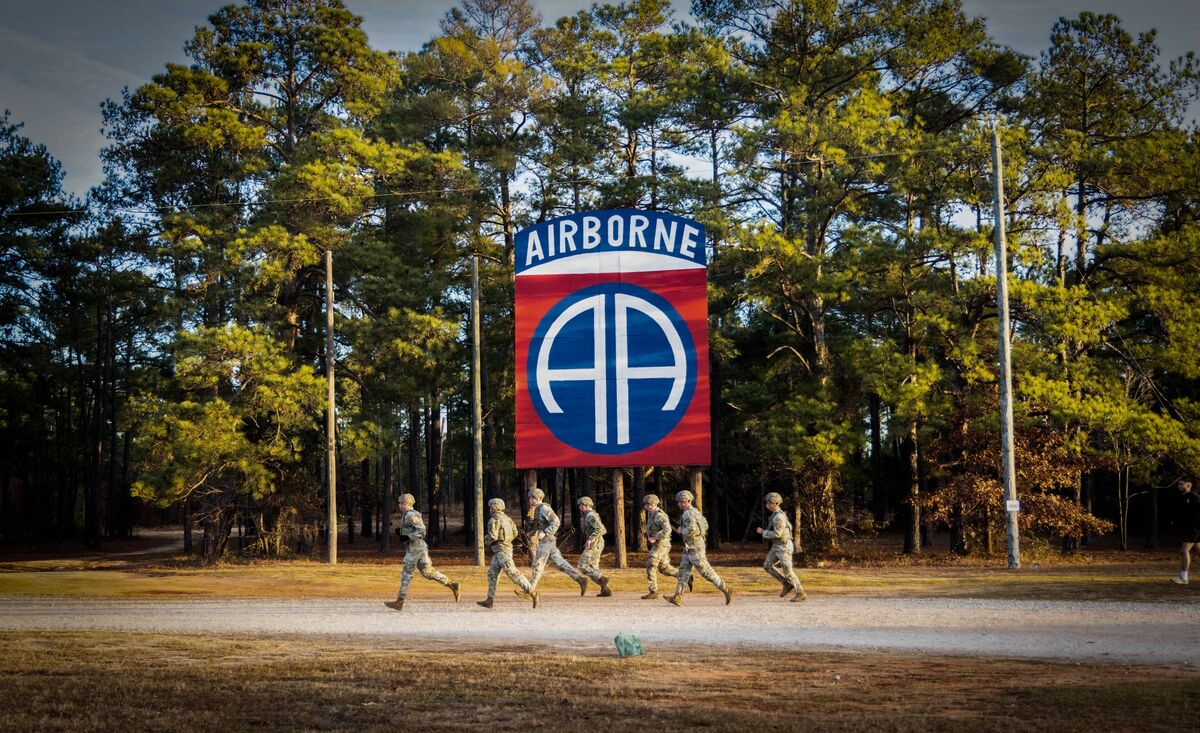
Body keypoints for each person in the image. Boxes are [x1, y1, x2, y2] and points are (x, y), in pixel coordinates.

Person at [384, 493, 459, 612]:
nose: (399, 505)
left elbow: (422, 530)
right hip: (419, 547)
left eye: (400, 503)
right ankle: (452, 585)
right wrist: (402, 533)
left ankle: (399, 601)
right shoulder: (406, 515)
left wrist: (407, 537)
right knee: (427, 572)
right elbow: (413, 530)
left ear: (406, 503)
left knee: (406, 573)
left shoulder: (411, 515)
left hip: (415, 548)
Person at [665, 489, 732, 606]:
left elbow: (692, 529)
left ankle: (726, 588)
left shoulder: (688, 514)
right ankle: (677, 597)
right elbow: (705, 525)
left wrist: (681, 531)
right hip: (691, 547)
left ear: (685, 501)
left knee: (706, 572)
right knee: (683, 572)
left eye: (679, 502)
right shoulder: (696, 512)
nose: (678, 504)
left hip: (694, 548)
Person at [477, 498, 538, 608]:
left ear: (495, 508)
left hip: (502, 551)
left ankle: (532, 591)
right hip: (502, 550)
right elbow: (515, 533)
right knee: (492, 573)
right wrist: (507, 540)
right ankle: (490, 600)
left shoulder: (493, 520)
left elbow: (493, 536)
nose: (490, 509)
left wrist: (485, 539)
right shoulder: (508, 519)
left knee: (512, 573)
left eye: (491, 507)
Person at [526, 487, 589, 595]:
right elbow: (538, 526)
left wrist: (545, 532)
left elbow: (556, 522)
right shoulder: (537, 509)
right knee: (560, 563)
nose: (530, 500)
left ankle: (530, 590)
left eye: (532, 498)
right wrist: (531, 533)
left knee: (538, 564)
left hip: (547, 541)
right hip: (548, 541)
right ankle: (580, 579)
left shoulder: (544, 509)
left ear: (539, 498)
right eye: (530, 498)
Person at [756, 492, 807, 602]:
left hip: (783, 547)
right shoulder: (774, 515)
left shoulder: (779, 517)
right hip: (777, 546)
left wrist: (763, 532)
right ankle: (786, 584)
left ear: (774, 503)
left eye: (768, 502)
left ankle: (800, 592)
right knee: (767, 565)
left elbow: (777, 534)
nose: (766, 504)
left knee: (788, 571)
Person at [641, 493, 687, 599]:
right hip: (658, 545)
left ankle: (653, 591)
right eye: (646, 505)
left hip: (661, 544)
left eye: (650, 504)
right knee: (664, 568)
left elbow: (668, 530)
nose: (648, 507)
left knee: (650, 564)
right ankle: (685, 576)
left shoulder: (660, 515)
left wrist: (655, 537)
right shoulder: (651, 514)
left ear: (655, 504)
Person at [575, 496, 612, 597]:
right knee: (593, 567)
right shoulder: (587, 516)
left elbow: (600, 529)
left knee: (582, 566)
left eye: (581, 505)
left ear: (586, 505)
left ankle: (602, 579)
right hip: (597, 543)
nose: (579, 507)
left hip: (595, 543)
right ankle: (606, 590)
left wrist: (590, 539)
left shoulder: (590, 515)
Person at [1173, 478, 1200, 585]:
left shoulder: (1194, 497)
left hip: (1194, 529)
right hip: (1190, 529)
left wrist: (1196, 525)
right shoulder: (1182, 497)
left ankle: (1183, 578)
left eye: (1181, 484)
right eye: (1178, 484)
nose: (1179, 486)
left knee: (1184, 551)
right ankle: (1183, 577)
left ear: (1188, 486)